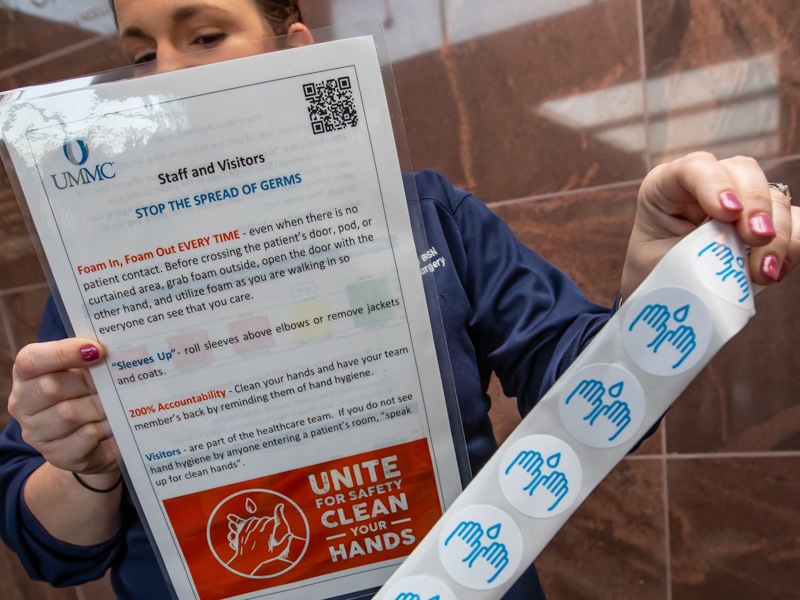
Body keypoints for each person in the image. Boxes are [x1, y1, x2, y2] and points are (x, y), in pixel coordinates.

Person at [1, 1, 798, 599]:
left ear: (293, 50)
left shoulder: (425, 217)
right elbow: (51, 546)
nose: (163, 78)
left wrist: (661, 286)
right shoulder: (102, 282)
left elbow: (582, 390)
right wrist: (89, 469)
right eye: (139, 56)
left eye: (204, 35)